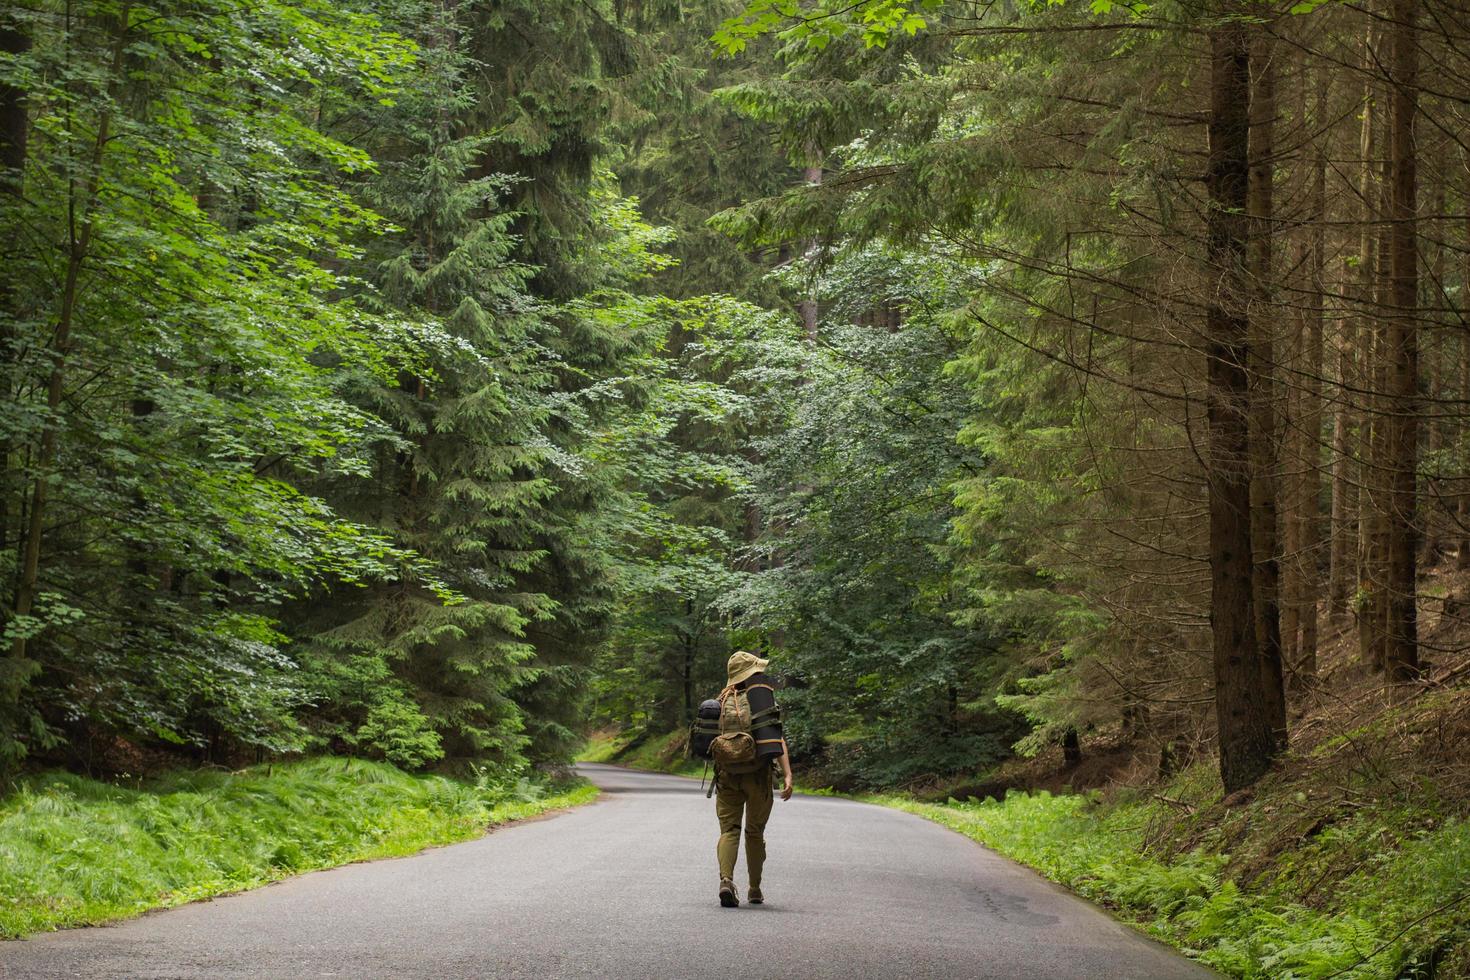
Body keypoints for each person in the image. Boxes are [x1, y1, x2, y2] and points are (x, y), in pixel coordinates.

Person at [713, 650, 793, 908]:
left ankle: (726, 880)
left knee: (729, 830)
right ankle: (755, 889)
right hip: (758, 776)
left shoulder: (721, 700)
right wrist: (788, 774)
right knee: (755, 832)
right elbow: (776, 738)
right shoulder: (760, 699)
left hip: (727, 776)